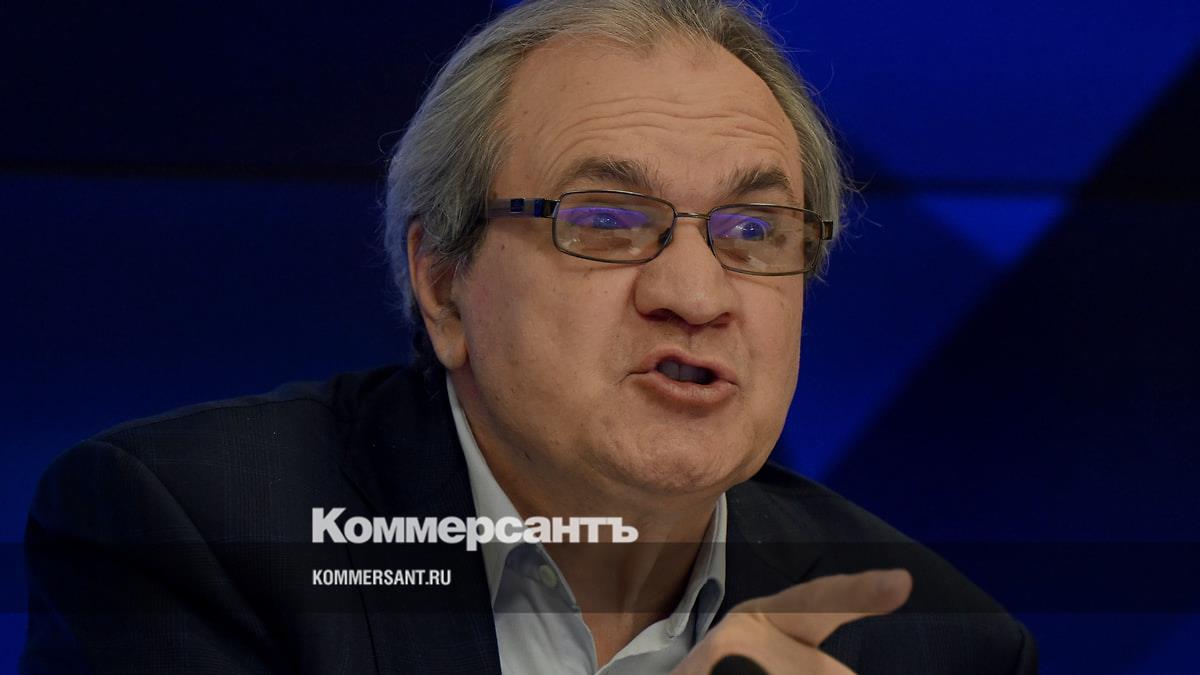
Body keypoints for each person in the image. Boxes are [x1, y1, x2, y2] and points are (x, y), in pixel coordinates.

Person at [23, 0, 1036, 673]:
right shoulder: (195, 535)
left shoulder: (939, 646)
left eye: (754, 232)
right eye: (605, 221)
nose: (697, 294)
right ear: (443, 284)